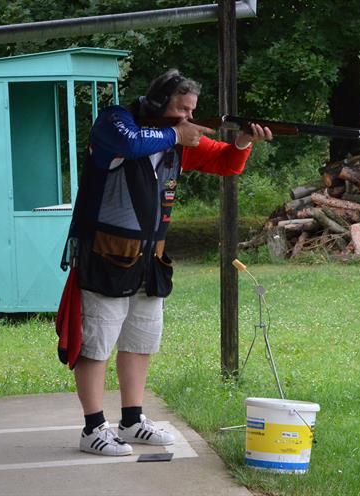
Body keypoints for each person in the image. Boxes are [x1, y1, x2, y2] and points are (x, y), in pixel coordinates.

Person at [64, 69, 272, 456]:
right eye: (181, 109)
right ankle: (93, 428)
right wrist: (176, 133)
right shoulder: (116, 120)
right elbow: (129, 142)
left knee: (140, 340)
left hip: (151, 259)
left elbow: (226, 163)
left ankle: (131, 420)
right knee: (97, 344)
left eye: (192, 111)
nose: (188, 118)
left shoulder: (174, 138)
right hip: (106, 254)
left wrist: (243, 141)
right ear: (159, 103)